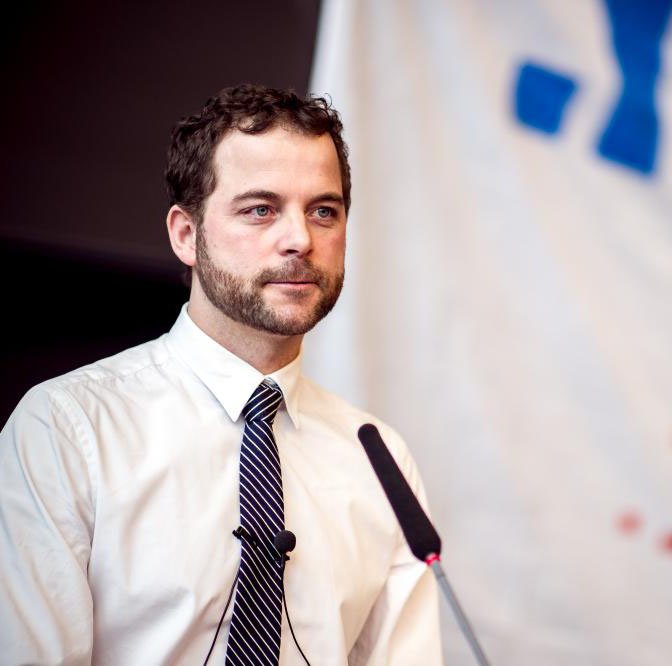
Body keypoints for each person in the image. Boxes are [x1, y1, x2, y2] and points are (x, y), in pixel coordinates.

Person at [0, 84, 442, 665]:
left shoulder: (379, 458)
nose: (300, 240)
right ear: (186, 234)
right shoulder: (66, 429)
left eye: (324, 212)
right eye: (260, 209)